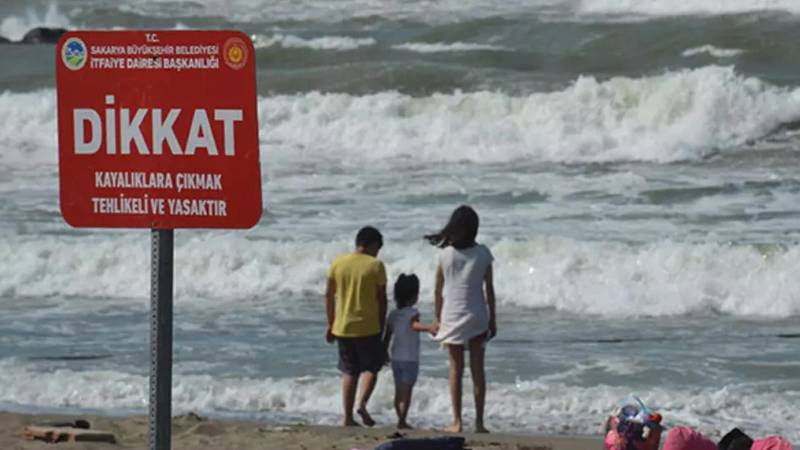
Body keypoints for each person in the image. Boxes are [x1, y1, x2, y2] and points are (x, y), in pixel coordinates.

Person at [425, 205, 496, 433]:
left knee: (455, 369)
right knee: (478, 370)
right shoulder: (483, 253)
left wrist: (437, 319)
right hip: (477, 315)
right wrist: (493, 319)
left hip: (452, 315)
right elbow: (489, 290)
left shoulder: (445, 255)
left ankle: (456, 421)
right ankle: (479, 422)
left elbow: (437, 290)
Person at [325, 226, 388, 427]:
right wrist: (381, 323)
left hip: (342, 326)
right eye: (377, 248)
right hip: (368, 326)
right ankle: (361, 404)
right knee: (372, 367)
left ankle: (347, 417)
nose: (377, 253)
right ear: (373, 244)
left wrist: (331, 322)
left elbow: (328, 295)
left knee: (349, 371)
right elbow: (382, 299)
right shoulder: (376, 265)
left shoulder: (338, 263)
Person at [383, 273, 436, 429]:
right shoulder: (413, 313)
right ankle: (402, 420)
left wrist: (384, 351)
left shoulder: (393, 314)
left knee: (398, 389)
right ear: (414, 296)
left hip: (396, 357)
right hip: (410, 358)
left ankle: (399, 417)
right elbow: (414, 326)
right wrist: (429, 328)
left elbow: (387, 335)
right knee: (407, 390)